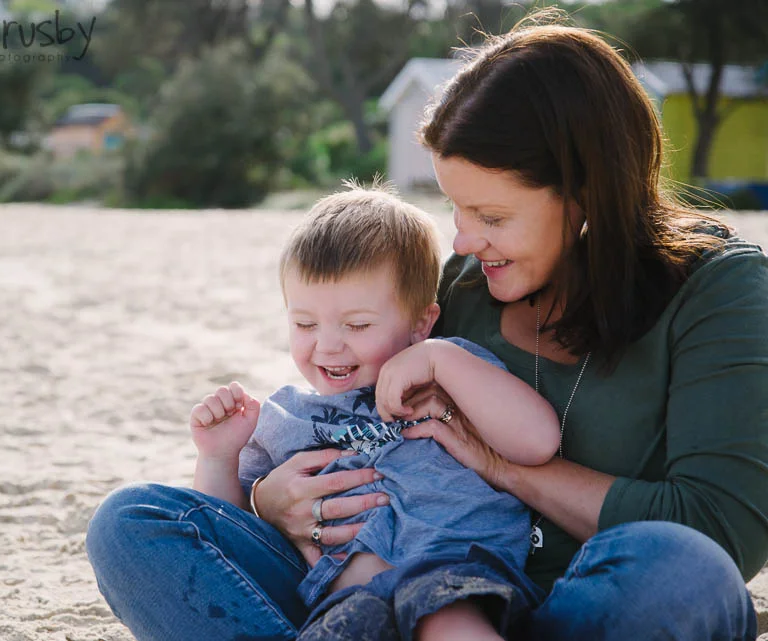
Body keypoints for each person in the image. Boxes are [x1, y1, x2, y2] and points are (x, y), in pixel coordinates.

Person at [85, 16, 768, 641]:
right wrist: (274, 498)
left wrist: (502, 468)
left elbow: (719, 529)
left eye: (491, 216)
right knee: (133, 524)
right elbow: (346, 414)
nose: (464, 241)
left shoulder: (720, 289)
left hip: (581, 608)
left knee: (682, 567)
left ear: (587, 190)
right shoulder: (463, 288)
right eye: (455, 208)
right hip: (374, 593)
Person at [188, 184, 561, 640]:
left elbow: (538, 441)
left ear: (420, 323)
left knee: (445, 618)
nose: (327, 345)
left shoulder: (449, 371)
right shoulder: (284, 416)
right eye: (304, 324)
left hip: (455, 572)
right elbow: (231, 536)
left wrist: (439, 358)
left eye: (357, 325)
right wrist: (217, 458)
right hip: (346, 601)